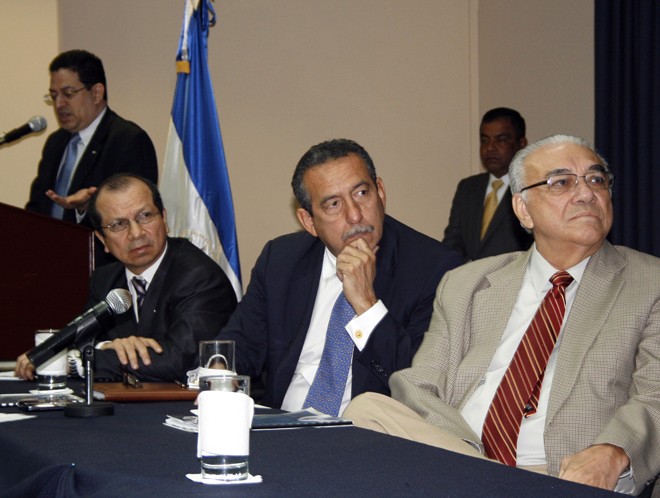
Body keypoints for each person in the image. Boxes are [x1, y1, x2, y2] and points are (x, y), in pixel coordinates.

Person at [345, 134, 660, 494]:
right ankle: (489, 481)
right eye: (562, 182)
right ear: (523, 209)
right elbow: (419, 387)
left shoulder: (649, 282)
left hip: (560, 475)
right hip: (461, 457)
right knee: (366, 409)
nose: (586, 193)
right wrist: (467, 457)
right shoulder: (467, 283)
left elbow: (655, 395)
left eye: (596, 179)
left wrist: (614, 452)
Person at [218, 138, 463, 415]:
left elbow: (419, 384)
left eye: (361, 193)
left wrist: (366, 304)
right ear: (309, 221)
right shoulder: (281, 260)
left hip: (370, 431)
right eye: (334, 204)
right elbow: (240, 345)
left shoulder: (435, 268)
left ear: (381, 192)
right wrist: (218, 370)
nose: (355, 215)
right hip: (281, 425)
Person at [16, 173, 237, 382]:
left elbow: (181, 359)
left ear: (164, 218)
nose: (136, 233)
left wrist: (77, 363)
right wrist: (105, 347)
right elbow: (81, 340)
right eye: (118, 224)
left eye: (145, 216)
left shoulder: (198, 276)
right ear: (102, 239)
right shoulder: (105, 280)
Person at [26, 49, 158, 224]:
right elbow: (37, 208)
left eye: (68, 94)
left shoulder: (128, 141)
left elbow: (138, 214)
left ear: (96, 93)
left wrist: (87, 208)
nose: (59, 104)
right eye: (54, 95)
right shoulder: (55, 142)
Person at [443, 107, 533, 260]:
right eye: (484, 140)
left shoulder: (531, 188)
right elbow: (453, 243)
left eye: (501, 139)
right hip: (469, 275)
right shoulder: (468, 187)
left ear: (521, 144)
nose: (490, 148)